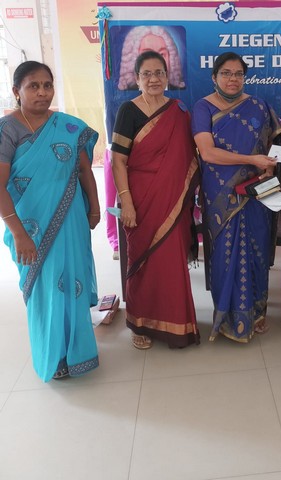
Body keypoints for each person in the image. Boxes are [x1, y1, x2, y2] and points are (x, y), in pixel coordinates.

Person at [0, 61, 100, 381]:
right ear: (17, 91)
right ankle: (53, 354)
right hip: (29, 226)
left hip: (71, 219)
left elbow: (84, 170)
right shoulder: (7, 130)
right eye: (33, 86)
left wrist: (95, 207)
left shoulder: (69, 126)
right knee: (45, 289)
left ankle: (78, 352)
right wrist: (19, 234)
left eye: (47, 85)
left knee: (72, 280)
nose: (42, 92)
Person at [111, 50, 200, 349]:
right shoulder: (128, 111)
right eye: (146, 74)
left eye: (159, 73)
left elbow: (187, 157)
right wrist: (127, 202)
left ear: (167, 77)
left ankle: (175, 321)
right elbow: (118, 161)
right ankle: (140, 322)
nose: (153, 79)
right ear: (136, 79)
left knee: (171, 261)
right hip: (140, 199)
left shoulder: (179, 110)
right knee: (142, 260)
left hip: (172, 201)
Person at [192, 51, 281, 342]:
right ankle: (229, 318)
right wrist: (251, 159)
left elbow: (276, 141)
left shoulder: (258, 106)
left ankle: (256, 313)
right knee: (225, 252)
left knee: (257, 247)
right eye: (226, 73)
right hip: (221, 194)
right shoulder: (203, 107)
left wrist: (271, 163)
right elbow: (207, 153)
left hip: (257, 191)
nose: (233, 79)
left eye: (238, 74)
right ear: (214, 77)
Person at [118, 26, 186, 91]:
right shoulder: (127, 95)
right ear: (132, 60)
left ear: (171, 60)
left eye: (162, 54)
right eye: (147, 54)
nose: (155, 62)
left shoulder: (180, 92)